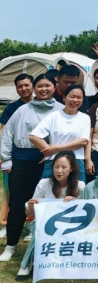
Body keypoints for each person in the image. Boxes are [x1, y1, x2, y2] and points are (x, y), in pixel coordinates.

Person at [0, 74, 60, 263]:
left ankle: (45, 242)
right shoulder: (22, 109)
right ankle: (11, 245)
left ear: (55, 87)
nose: (44, 89)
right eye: (40, 86)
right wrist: (6, 158)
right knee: (18, 203)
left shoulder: (61, 109)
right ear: (35, 88)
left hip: (52, 162)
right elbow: (7, 134)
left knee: (48, 202)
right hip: (23, 160)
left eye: (47, 85)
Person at [13, 151, 84, 278]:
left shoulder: (80, 186)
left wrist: (76, 202)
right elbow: (29, 213)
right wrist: (30, 206)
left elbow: (84, 212)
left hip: (69, 225)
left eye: (64, 167)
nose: (59, 171)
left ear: (72, 168)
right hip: (41, 222)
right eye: (56, 167)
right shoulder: (44, 183)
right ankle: (26, 264)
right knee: (39, 230)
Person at [29, 84, 90, 182]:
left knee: (77, 190)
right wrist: (49, 150)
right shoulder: (54, 116)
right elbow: (33, 136)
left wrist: (56, 148)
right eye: (72, 96)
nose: (75, 100)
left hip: (76, 161)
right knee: (47, 189)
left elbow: (82, 142)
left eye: (79, 97)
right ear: (64, 98)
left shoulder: (85, 118)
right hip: (54, 161)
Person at [0, 74, 34, 236]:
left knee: (34, 191)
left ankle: (30, 223)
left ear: (33, 86)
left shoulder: (40, 104)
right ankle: (7, 223)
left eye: (27, 85)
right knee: (11, 192)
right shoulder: (11, 108)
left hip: (36, 156)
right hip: (14, 156)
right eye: (20, 86)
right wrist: (3, 155)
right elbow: (3, 131)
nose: (24, 89)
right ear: (16, 88)